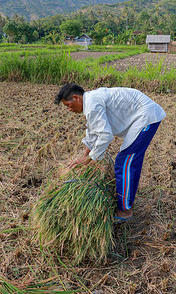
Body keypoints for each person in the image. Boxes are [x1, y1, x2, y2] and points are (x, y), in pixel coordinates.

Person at [54, 83, 166, 223]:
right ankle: (127, 200)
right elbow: (93, 132)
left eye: (68, 105)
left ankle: (125, 211)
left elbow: (106, 135)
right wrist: (84, 156)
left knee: (124, 161)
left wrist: (90, 158)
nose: (69, 109)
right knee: (129, 161)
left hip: (146, 116)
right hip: (142, 115)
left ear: (76, 98)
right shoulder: (91, 101)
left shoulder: (92, 104)